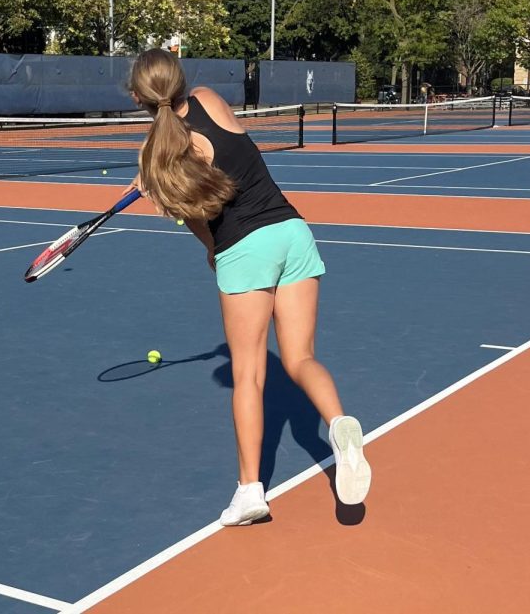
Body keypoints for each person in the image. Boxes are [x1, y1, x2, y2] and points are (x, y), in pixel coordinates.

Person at [127, 49, 371, 525]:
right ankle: (340, 426)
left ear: (136, 95)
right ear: (179, 80)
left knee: (249, 377)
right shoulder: (208, 98)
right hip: (292, 231)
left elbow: (201, 221)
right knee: (300, 359)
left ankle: (249, 491)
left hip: (244, 248)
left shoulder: (156, 159)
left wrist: (160, 188)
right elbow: (224, 153)